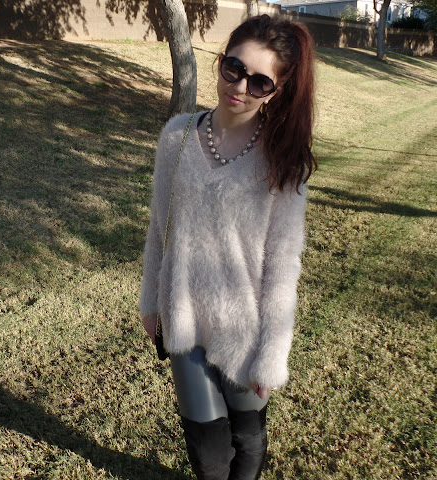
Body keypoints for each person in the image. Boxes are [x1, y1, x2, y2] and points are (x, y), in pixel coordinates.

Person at [139, 14, 316, 480]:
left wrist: (272, 353)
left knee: (249, 438)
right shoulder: (176, 136)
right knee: (211, 454)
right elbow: (160, 228)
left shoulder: (283, 162)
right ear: (220, 62)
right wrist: (149, 301)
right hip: (183, 314)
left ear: (276, 92)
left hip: (247, 328)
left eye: (260, 82)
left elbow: (282, 264)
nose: (240, 87)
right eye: (233, 69)